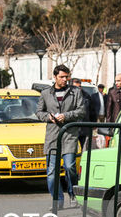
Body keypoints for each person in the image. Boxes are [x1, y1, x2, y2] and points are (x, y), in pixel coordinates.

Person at [36, 65, 86, 209]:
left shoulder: (75, 92)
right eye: (62, 77)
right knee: (52, 172)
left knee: (70, 166)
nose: (65, 79)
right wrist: (48, 117)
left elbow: (81, 110)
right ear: (55, 77)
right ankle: (57, 200)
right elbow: (39, 112)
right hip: (52, 136)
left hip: (69, 134)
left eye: (67, 77)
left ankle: (73, 193)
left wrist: (67, 116)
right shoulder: (46, 93)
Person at [71, 78, 91, 150]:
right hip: (71, 128)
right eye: (76, 87)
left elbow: (91, 111)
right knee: (71, 149)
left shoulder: (86, 96)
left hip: (83, 127)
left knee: (80, 148)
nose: (78, 89)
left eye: (79, 86)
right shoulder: (67, 96)